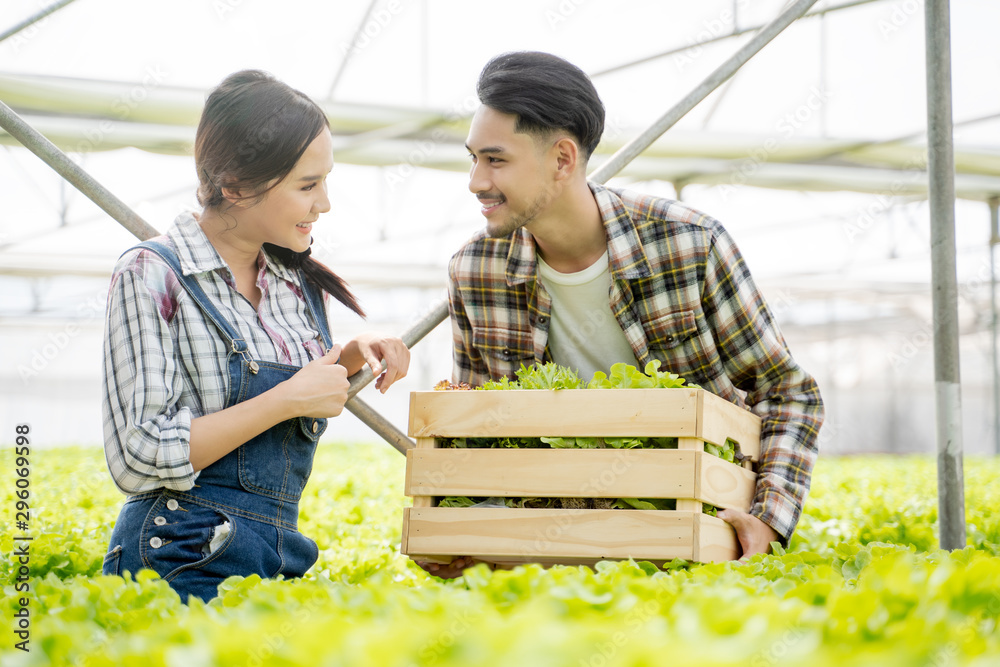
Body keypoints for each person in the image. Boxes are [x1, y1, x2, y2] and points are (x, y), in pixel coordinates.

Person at [426, 51, 824, 577]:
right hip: (545, 545)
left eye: (495, 160)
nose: (476, 181)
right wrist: (455, 528)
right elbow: (475, 425)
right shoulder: (474, 270)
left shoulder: (688, 245)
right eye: (473, 158)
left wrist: (768, 518)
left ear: (563, 160)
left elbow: (788, 393)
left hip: (690, 535)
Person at [100, 70, 409, 603]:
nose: (325, 203)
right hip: (179, 551)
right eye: (307, 185)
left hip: (278, 552)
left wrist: (351, 356)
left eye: (325, 181)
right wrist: (285, 399)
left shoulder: (296, 284)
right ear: (236, 186)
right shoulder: (152, 274)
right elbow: (138, 453)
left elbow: (302, 395)